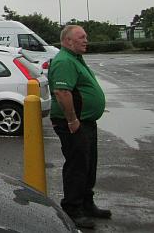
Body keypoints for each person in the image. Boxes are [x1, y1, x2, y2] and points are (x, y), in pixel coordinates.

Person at [49, 25, 111, 229]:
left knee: (88, 164)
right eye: (81, 37)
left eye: (86, 37)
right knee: (77, 165)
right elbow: (62, 92)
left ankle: (86, 203)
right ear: (68, 41)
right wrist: (72, 120)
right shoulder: (64, 61)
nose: (86, 40)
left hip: (85, 122)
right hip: (74, 123)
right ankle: (72, 209)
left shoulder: (74, 58)